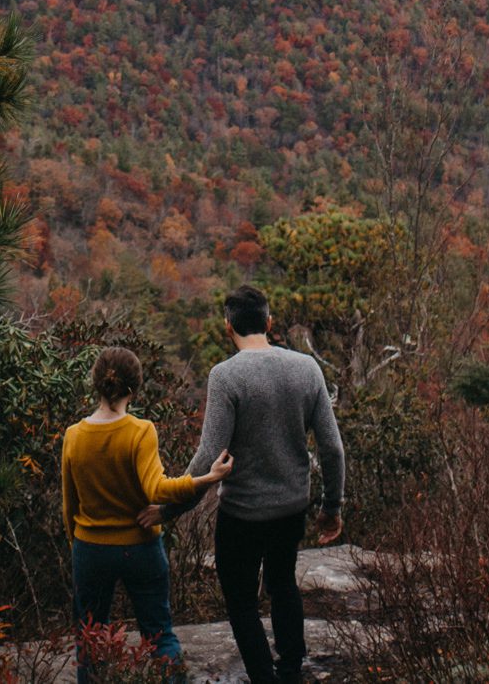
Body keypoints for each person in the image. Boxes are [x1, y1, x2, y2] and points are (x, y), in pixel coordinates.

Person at [153, 285, 345, 684]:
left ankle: (264, 677)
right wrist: (331, 507)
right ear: (269, 322)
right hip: (291, 508)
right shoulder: (306, 368)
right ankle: (291, 670)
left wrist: (170, 508)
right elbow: (332, 448)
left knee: (241, 603)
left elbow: (208, 456)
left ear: (228, 327)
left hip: (242, 514)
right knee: (283, 584)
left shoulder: (226, 376)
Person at [60, 345, 234, 682]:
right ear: (134, 387)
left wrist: (77, 545)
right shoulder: (140, 431)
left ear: (96, 384)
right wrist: (207, 479)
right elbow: (156, 489)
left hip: (90, 548)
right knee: (159, 636)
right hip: (140, 547)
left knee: (90, 640)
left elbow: (70, 505)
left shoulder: (74, 435)